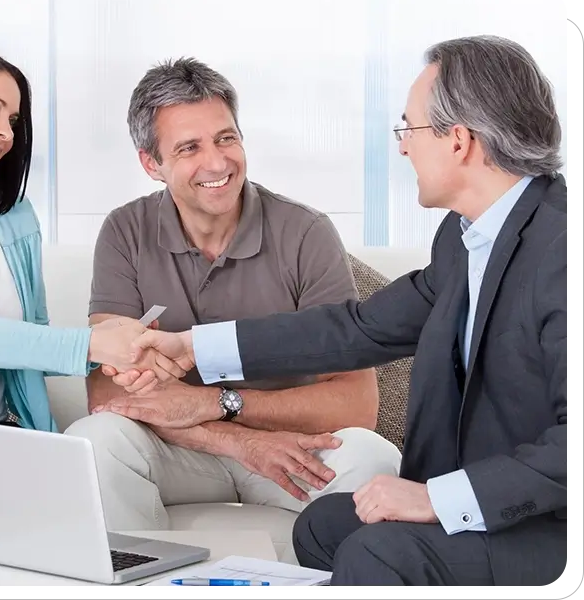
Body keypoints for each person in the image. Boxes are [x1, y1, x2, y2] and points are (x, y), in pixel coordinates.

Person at [119, 35, 566, 587]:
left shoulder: (564, 249)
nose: (403, 148)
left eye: (409, 128)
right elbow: (363, 327)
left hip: (557, 527)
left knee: (378, 554)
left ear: (459, 141)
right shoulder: (466, 237)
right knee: (326, 526)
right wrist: (189, 346)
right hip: (510, 505)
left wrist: (436, 499)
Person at [64, 57, 402, 532]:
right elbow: (106, 393)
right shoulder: (125, 231)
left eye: (226, 138)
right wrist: (237, 443)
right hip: (181, 450)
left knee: (374, 459)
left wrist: (223, 405)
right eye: (189, 148)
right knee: (95, 440)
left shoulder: (306, 232)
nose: (218, 162)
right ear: (151, 164)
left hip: (290, 448)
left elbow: (357, 402)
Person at [0, 46, 184, 536]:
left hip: (0, 435)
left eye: (12, 118)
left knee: (77, 503)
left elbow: (29, 340)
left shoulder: (14, 220)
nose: (6, 133)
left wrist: (118, 348)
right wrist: (92, 345)